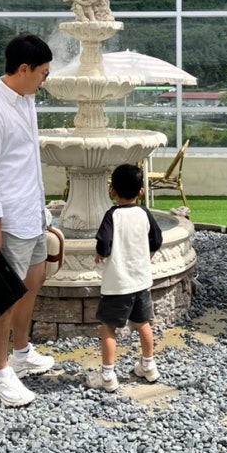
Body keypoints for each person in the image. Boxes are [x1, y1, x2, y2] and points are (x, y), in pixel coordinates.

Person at [0, 33, 55, 407]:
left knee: (32, 284)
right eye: (42, 73)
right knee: (2, 299)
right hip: (6, 222)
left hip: (31, 214)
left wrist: (42, 211)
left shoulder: (25, 101)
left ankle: (21, 353)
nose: (44, 80)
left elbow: (26, 163)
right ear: (23, 69)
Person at [87, 163, 163, 392]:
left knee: (109, 327)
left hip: (117, 284)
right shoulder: (144, 213)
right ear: (141, 191)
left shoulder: (112, 215)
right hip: (141, 282)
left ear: (112, 191)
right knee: (143, 324)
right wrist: (146, 255)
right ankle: (148, 366)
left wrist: (101, 254)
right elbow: (157, 240)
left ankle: (108, 376)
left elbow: (103, 242)